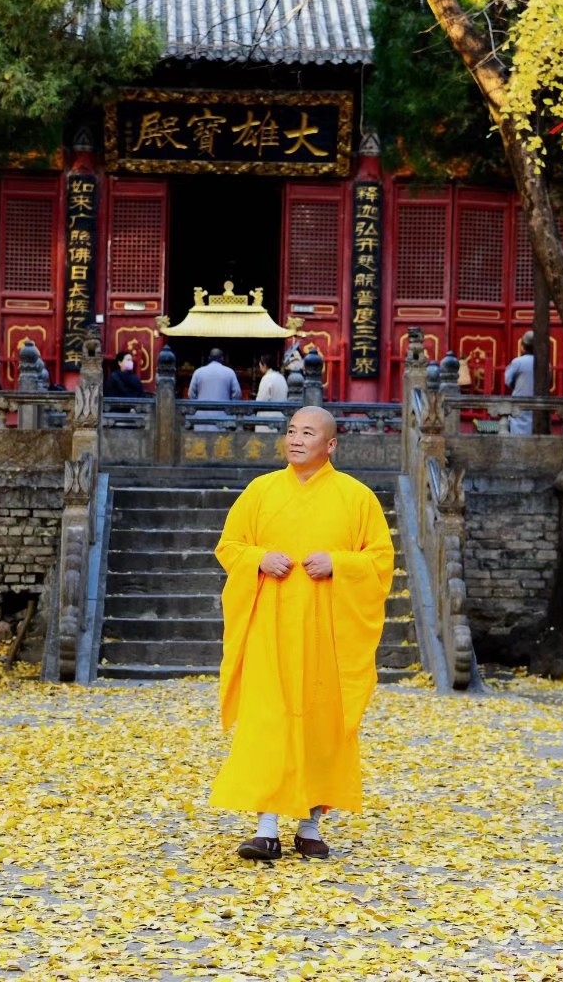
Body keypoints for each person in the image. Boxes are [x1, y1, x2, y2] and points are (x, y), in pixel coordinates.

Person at [211, 407, 394, 861]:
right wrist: (257, 558)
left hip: (327, 632)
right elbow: (228, 546)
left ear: (330, 445)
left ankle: (310, 825)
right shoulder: (260, 491)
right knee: (268, 722)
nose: (295, 439)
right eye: (291, 430)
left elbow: (381, 559)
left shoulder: (356, 498)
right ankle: (266, 827)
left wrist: (341, 563)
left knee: (323, 723)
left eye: (307, 433)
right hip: (270, 630)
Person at [188, 347, 241, 431]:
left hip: (201, 418)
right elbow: (237, 394)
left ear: (209, 358)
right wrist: (230, 407)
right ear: (222, 358)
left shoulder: (198, 372)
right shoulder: (229, 372)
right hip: (223, 417)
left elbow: (191, 394)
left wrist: (198, 405)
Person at [504, 331, 537, 435]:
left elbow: (508, 381)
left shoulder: (517, 362)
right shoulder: (546, 364)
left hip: (519, 405)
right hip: (537, 406)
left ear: (522, 347)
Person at [252, 353, 287, 433]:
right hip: (281, 417)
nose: (260, 367)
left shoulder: (267, 378)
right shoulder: (281, 377)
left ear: (264, 365)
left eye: (260, 365)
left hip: (267, 418)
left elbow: (260, 401)